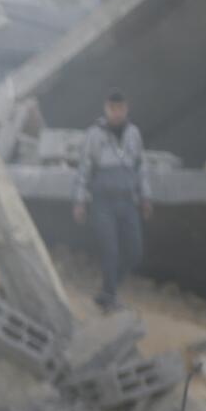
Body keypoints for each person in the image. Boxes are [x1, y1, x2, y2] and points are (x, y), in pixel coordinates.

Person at [73, 89, 152, 311]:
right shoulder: (94, 134)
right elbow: (84, 169)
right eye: (112, 108)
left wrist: (145, 197)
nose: (116, 113)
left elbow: (141, 167)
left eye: (120, 109)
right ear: (106, 109)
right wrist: (79, 201)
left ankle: (107, 291)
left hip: (128, 202)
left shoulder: (134, 133)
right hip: (102, 202)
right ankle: (110, 297)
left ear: (126, 109)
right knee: (110, 250)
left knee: (135, 252)